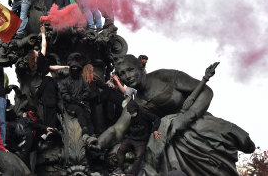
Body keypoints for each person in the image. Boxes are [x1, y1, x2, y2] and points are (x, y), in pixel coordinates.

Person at [98, 55, 256, 176]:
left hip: (193, 125)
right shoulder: (135, 103)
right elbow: (116, 130)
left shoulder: (166, 76)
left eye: (130, 70)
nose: (127, 76)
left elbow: (205, 91)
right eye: (122, 74)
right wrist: (95, 145)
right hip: (168, 143)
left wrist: (185, 119)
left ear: (140, 66)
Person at [28, 25, 68, 128]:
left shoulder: (39, 64)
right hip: (48, 84)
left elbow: (51, 67)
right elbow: (44, 46)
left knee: (49, 107)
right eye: (36, 51)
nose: (37, 51)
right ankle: (50, 129)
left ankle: (49, 129)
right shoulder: (40, 59)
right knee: (51, 105)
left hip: (47, 83)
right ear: (35, 55)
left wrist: (64, 66)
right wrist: (43, 33)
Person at [113, 100, 161, 176]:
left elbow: (157, 119)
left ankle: (132, 173)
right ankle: (119, 169)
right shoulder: (132, 117)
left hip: (141, 140)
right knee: (121, 150)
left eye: (132, 111)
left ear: (136, 109)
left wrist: (154, 130)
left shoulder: (144, 114)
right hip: (131, 138)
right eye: (130, 112)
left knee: (139, 156)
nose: (131, 113)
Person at [58, 60, 94, 135]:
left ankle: (91, 134)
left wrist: (81, 98)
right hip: (70, 104)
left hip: (81, 101)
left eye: (76, 68)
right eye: (73, 68)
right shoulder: (65, 81)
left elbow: (87, 90)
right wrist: (71, 99)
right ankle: (84, 129)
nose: (75, 69)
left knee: (87, 113)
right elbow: (64, 93)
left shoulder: (82, 80)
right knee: (79, 110)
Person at [81, 64, 110, 132]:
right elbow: (102, 85)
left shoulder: (82, 77)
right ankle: (96, 130)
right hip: (93, 98)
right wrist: (108, 85)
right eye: (91, 68)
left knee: (89, 116)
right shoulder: (93, 76)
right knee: (94, 115)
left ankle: (92, 131)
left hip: (87, 99)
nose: (93, 69)